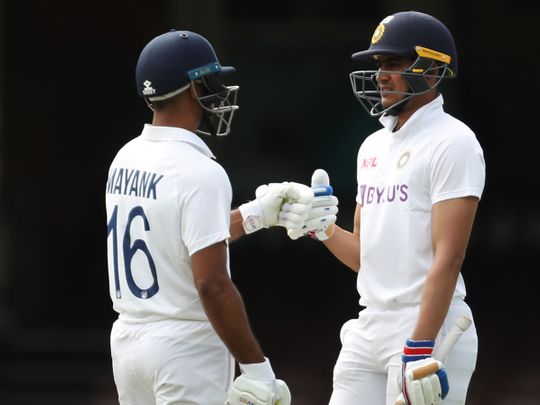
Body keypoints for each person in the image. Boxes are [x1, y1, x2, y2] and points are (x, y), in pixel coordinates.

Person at [288, 10, 486, 405]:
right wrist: (322, 228)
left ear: (431, 71)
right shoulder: (372, 146)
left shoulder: (454, 141)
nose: (380, 75)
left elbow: (449, 258)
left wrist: (421, 345)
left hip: (428, 325)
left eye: (394, 63)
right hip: (369, 325)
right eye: (380, 64)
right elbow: (366, 256)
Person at [105, 29, 313, 405]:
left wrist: (255, 215)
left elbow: (175, 237)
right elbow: (211, 283)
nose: (217, 90)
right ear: (193, 87)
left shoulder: (126, 157)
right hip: (185, 350)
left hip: (128, 343)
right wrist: (257, 368)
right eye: (211, 80)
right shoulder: (200, 171)